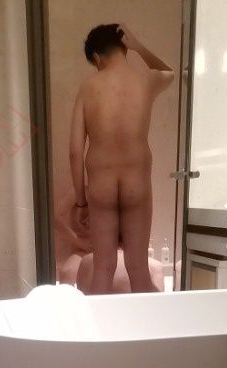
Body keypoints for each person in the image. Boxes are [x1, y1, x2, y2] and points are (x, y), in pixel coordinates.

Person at [69, 23, 175, 294]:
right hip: (136, 183)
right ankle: (145, 322)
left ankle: (99, 323)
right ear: (124, 48)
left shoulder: (88, 87)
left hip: (101, 185)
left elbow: (75, 151)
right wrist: (139, 46)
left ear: (96, 57)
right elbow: (169, 72)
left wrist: (81, 202)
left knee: (103, 268)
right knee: (138, 268)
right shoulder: (145, 80)